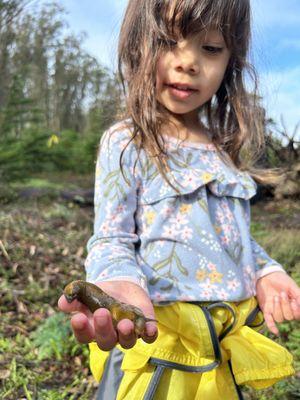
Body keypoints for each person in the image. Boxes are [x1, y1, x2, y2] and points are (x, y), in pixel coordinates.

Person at [58, 0, 300, 398]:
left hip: (218, 345)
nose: (188, 62)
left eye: (210, 48)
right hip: (159, 341)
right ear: (137, 45)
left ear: (231, 60)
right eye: (169, 40)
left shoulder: (225, 152)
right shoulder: (128, 142)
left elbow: (235, 240)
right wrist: (117, 284)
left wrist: (266, 271)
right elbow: (112, 238)